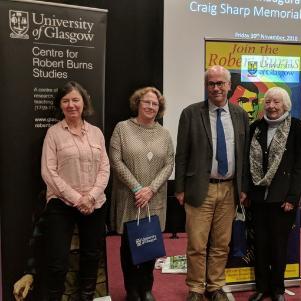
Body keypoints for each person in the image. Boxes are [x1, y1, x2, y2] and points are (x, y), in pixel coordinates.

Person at [175, 65, 249, 301]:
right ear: (206, 86)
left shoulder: (240, 115)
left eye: (220, 83)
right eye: (211, 83)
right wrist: (179, 188)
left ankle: (215, 286)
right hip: (199, 188)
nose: (216, 88)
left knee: (221, 244)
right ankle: (196, 288)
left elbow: (244, 155)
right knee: (197, 244)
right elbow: (182, 154)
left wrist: (243, 188)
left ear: (229, 86)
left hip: (229, 190)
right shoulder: (190, 113)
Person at [41, 81, 110, 300]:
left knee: (91, 255)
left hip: (94, 203)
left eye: (75, 100)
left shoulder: (96, 133)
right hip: (61, 205)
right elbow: (49, 172)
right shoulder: (53, 134)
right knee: (58, 262)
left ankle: (87, 296)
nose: (71, 105)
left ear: (84, 102)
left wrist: (90, 197)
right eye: (66, 101)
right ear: (60, 105)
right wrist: (77, 198)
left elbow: (105, 168)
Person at [109, 87, 174, 301]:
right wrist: (137, 188)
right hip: (130, 198)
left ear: (159, 107)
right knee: (129, 246)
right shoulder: (122, 128)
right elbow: (116, 161)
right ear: (138, 103)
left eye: (155, 104)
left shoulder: (164, 134)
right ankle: (131, 290)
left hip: (154, 198)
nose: (150, 106)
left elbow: (169, 164)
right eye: (146, 102)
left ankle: (146, 288)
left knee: (150, 244)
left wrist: (150, 189)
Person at [247, 87, 301, 301]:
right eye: (269, 102)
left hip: (283, 200)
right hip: (258, 198)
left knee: (279, 245)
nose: (272, 106)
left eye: (277, 102)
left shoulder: (298, 128)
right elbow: (248, 163)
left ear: (285, 105)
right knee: (260, 245)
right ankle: (262, 287)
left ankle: (278, 289)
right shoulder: (255, 127)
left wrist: (293, 197)